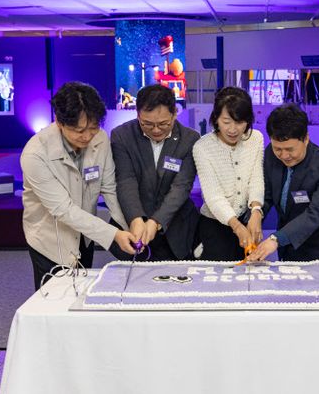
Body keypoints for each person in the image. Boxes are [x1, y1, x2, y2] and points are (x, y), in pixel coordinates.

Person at [21, 81, 136, 291]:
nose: (87, 136)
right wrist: (114, 235)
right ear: (59, 122)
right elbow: (63, 210)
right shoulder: (35, 154)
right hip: (50, 239)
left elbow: (109, 188)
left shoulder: (100, 138)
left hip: (85, 235)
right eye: (78, 130)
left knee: (81, 293)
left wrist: (128, 227)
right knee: (53, 299)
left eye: (93, 128)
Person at [110, 84, 200, 261]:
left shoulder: (189, 139)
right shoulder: (122, 136)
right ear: (138, 115)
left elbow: (181, 187)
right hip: (133, 228)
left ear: (175, 113)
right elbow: (126, 180)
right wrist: (135, 218)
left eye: (163, 124)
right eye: (147, 124)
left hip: (175, 229)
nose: (156, 130)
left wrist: (156, 221)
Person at [247, 104, 319, 262]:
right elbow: (267, 194)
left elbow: (315, 214)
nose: (284, 156)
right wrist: (256, 214)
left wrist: (276, 239)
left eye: (290, 149)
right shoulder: (271, 154)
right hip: (287, 250)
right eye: (278, 149)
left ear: (306, 139)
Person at [193, 86, 264, 261]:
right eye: (226, 122)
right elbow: (213, 196)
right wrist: (237, 227)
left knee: (250, 273)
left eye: (239, 122)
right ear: (216, 119)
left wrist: (256, 211)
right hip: (215, 226)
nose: (233, 129)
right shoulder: (202, 147)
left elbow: (256, 179)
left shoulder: (256, 139)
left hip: (247, 220)